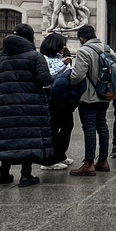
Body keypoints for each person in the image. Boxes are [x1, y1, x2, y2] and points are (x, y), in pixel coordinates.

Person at [0, 24, 52, 187]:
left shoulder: (3, 57)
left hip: (5, 104)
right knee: (27, 137)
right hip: (29, 103)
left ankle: (3, 173)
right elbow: (44, 79)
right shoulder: (35, 56)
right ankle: (26, 175)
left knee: (9, 137)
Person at [67, 25, 113, 175]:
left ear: (82, 38)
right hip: (105, 95)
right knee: (102, 125)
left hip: (88, 97)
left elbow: (77, 76)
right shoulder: (107, 49)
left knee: (89, 128)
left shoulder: (83, 51)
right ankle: (103, 161)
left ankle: (88, 163)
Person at [41, 33, 75, 170]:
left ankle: (60, 154)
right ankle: (50, 160)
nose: (64, 47)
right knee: (54, 127)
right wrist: (63, 65)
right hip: (50, 95)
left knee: (68, 125)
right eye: (62, 44)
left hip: (63, 95)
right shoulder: (43, 59)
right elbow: (48, 77)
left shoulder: (60, 57)